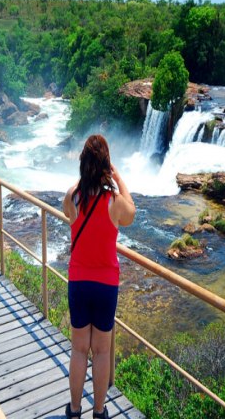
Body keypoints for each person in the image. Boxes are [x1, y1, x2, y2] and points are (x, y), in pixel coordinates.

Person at [62, 134, 135, 419]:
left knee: (79, 349)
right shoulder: (114, 202)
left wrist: (89, 178)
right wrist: (115, 173)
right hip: (106, 285)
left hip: (78, 282)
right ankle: (100, 411)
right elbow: (131, 213)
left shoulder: (73, 196)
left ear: (83, 163)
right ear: (105, 165)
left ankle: (75, 409)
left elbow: (69, 213)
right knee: (102, 352)